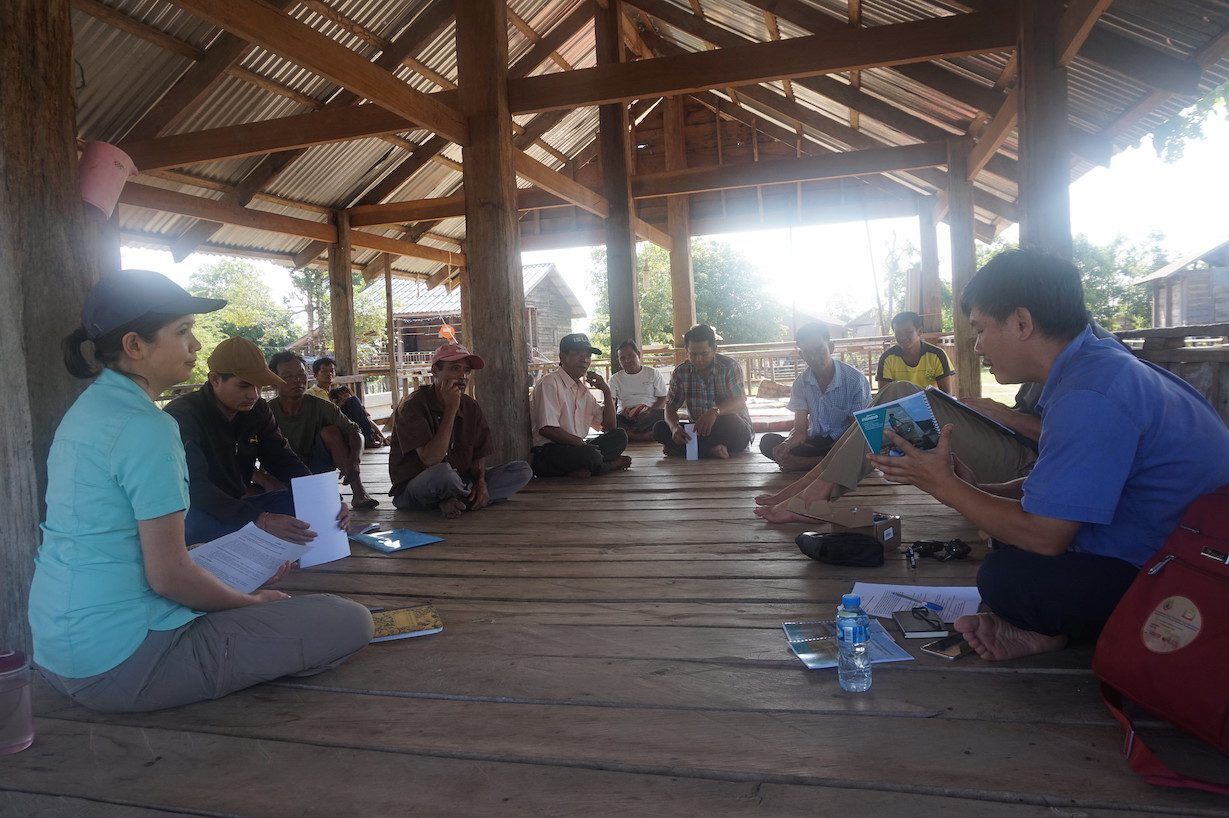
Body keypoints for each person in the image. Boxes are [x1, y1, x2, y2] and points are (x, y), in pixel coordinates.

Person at [29, 269, 370, 714]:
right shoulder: (149, 426)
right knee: (348, 620)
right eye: (183, 331)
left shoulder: (88, 409)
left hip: (58, 647)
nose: (196, 345)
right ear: (135, 345)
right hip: (121, 660)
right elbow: (169, 577)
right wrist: (248, 601)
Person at [869, 249, 1229, 660]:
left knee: (1007, 577)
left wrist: (942, 485)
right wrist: (979, 490)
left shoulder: (1089, 394)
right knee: (1003, 539)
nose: (978, 347)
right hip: (1178, 547)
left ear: (1022, 322)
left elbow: (1044, 537)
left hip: (1184, 576)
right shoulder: (1098, 366)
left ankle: (1054, 628)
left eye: (980, 330)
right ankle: (1044, 632)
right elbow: (1062, 488)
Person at [165, 336, 319, 545]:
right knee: (193, 524)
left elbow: (283, 459)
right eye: (244, 386)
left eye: (259, 386)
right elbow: (195, 486)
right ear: (216, 379)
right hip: (198, 508)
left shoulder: (259, 411)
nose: (253, 395)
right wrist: (259, 519)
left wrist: (324, 499)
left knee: (304, 502)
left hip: (238, 504)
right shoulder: (183, 416)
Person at [388, 343, 532, 517]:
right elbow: (431, 459)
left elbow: (479, 453)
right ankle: (463, 499)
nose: (462, 376)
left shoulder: (470, 406)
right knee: (443, 474)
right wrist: (451, 409)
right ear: (435, 371)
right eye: (455, 368)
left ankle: (458, 500)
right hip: (419, 485)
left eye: (467, 370)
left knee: (522, 471)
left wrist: (480, 482)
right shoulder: (412, 406)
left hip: (461, 479)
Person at [267, 351, 379, 510]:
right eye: (287, 376)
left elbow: (355, 430)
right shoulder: (266, 412)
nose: (297, 380)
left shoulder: (319, 406)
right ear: (273, 382)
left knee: (331, 432)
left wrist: (354, 461)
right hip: (282, 470)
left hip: (316, 465)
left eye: (301, 374)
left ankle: (359, 492)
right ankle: (321, 491)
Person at [758, 322, 871, 471]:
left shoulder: (855, 380)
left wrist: (833, 449)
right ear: (801, 355)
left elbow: (857, 430)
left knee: (863, 448)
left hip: (844, 441)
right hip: (815, 442)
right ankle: (822, 463)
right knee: (768, 442)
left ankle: (806, 463)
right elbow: (800, 430)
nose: (814, 357)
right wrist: (787, 444)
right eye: (808, 353)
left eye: (819, 350)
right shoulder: (801, 383)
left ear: (831, 348)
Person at [530, 333, 632, 478]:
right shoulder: (550, 383)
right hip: (549, 451)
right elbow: (547, 429)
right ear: (562, 357)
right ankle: (607, 465)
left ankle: (584, 468)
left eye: (588, 355)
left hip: (576, 448)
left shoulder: (583, 391)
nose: (584, 360)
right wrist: (581, 444)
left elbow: (610, 426)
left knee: (619, 436)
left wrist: (606, 391)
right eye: (577, 354)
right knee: (590, 455)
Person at [653, 324, 753, 459]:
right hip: (698, 428)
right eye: (693, 354)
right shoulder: (681, 372)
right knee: (660, 428)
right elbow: (670, 406)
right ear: (686, 351)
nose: (698, 359)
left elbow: (739, 401)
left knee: (733, 424)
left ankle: (688, 449)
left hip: (727, 426)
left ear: (714, 349)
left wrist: (715, 412)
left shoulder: (729, 367)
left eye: (704, 353)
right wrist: (674, 427)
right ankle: (712, 450)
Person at [876, 311, 954, 393]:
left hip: (929, 404)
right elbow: (884, 395)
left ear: (919, 331)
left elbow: (946, 394)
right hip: (900, 404)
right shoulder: (887, 358)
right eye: (898, 333)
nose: (902, 337)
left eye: (908, 332)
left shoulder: (937, 355)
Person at [609, 341, 668, 442]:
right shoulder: (615, 379)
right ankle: (641, 435)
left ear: (638, 355)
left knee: (664, 414)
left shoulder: (652, 373)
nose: (627, 360)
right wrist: (625, 413)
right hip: (625, 417)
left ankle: (629, 434)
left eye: (631, 355)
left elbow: (663, 397)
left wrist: (649, 411)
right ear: (619, 361)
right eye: (622, 358)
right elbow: (611, 401)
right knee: (612, 419)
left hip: (648, 416)